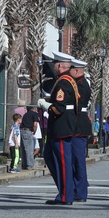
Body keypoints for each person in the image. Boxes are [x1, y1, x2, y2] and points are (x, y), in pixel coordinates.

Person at [43, 52, 78, 205]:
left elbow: (59, 108)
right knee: (52, 158)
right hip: (61, 128)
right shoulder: (68, 80)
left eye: (55, 64)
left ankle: (65, 196)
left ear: (59, 66)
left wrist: (46, 106)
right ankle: (64, 193)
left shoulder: (63, 83)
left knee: (63, 164)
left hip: (61, 128)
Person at [69, 58, 92, 202]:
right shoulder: (77, 83)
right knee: (73, 161)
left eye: (70, 69)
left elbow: (75, 104)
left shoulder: (81, 85)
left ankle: (81, 192)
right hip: (76, 125)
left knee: (78, 161)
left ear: (77, 71)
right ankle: (76, 190)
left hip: (78, 125)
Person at [20, 104, 39, 170]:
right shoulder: (34, 114)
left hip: (22, 130)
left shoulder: (25, 114)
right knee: (29, 149)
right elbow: (35, 124)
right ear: (34, 108)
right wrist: (34, 132)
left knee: (23, 148)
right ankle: (30, 165)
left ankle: (24, 164)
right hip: (28, 131)